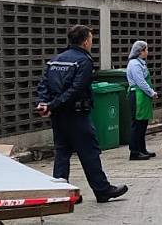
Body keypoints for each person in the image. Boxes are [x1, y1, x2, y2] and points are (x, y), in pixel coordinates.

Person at [36, 25, 128, 203]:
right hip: (77, 115)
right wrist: (52, 105)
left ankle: (61, 193)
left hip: (58, 116)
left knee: (62, 152)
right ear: (85, 41)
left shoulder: (56, 60)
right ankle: (102, 190)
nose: (92, 42)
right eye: (92, 39)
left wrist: (44, 104)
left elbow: (43, 85)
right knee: (89, 153)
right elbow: (76, 89)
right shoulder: (83, 61)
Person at [126, 40, 157, 161]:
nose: (147, 52)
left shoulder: (141, 63)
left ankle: (142, 149)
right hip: (137, 95)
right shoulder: (134, 64)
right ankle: (134, 151)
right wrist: (151, 92)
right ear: (140, 52)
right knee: (137, 124)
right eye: (146, 50)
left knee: (143, 124)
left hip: (143, 96)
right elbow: (140, 82)